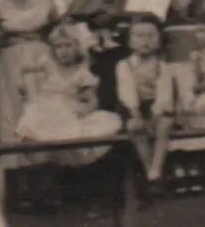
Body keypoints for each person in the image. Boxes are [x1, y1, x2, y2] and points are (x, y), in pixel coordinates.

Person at [14, 24, 123, 167]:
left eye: (68, 46)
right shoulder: (48, 64)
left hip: (68, 111)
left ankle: (62, 168)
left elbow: (92, 101)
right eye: (58, 47)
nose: (63, 51)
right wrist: (20, 83)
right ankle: (40, 167)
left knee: (94, 127)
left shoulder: (82, 74)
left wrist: (82, 111)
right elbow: (22, 68)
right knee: (30, 127)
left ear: (78, 47)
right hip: (45, 110)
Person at [0, 0, 61, 145]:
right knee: (12, 108)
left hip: (41, 58)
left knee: (42, 105)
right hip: (11, 60)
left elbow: (56, 30)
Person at [116, 14, 178, 185]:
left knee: (165, 124)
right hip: (133, 107)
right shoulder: (124, 65)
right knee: (135, 127)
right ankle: (149, 167)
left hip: (157, 107)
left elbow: (164, 95)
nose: (145, 41)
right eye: (139, 36)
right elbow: (127, 92)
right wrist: (136, 114)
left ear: (159, 39)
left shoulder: (163, 66)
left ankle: (156, 167)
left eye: (151, 36)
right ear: (130, 41)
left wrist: (154, 116)